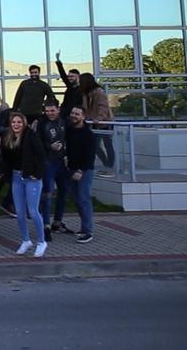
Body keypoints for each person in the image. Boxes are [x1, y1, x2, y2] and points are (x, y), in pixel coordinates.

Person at [0, 111, 48, 257]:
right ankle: (25, 240)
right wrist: (0, 172)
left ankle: (41, 241)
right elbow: (6, 160)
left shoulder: (31, 135)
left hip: (32, 178)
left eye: (19, 122)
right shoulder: (8, 137)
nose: (16, 125)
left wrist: (37, 173)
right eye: (13, 122)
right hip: (16, 177)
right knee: (20, 213)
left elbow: (41, 155)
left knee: (33, 211)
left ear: (24, 123)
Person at [59, 106, 96, 244]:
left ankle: (88, 231)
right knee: (77, 199)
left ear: (83, 117)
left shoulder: (88, 134)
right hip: (72, 168)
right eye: (73, 113)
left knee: (84, 198)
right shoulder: (69, 130)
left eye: (77, 114)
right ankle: (83, 228)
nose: (74, 115)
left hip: (84, 170)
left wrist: (81, 171)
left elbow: (90, 155)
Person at [37, 100, 67, 241]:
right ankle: (46, 225)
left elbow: (70, 138)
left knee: (64, 190)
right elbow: (37, 142)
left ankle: (57, 221)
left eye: (52, 111)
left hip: (62, 161)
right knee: (47, 193)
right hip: (48, 162)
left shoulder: (65, 121)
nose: (49, 113)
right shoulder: (42, 123)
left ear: (58, 109)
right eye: (47, 111)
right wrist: (50, 146)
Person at [80, 73, 115, 177]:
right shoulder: (86, 94)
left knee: (108, 145)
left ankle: (110, 168)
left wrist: (99, 118)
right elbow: (86, 108)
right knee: (95, 146)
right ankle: (107, 166)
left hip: (105, 122)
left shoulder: (99, 92)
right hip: (94, 122)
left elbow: (103, 106)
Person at [54, 52, 84, 120]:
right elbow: (63, 75)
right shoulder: (70, 87)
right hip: (65, 115)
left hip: (74, 116)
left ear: (78, 77)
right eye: (69, 76)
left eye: (72, 76)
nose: (70, 78)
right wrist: (58, 61)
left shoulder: (82, 89)